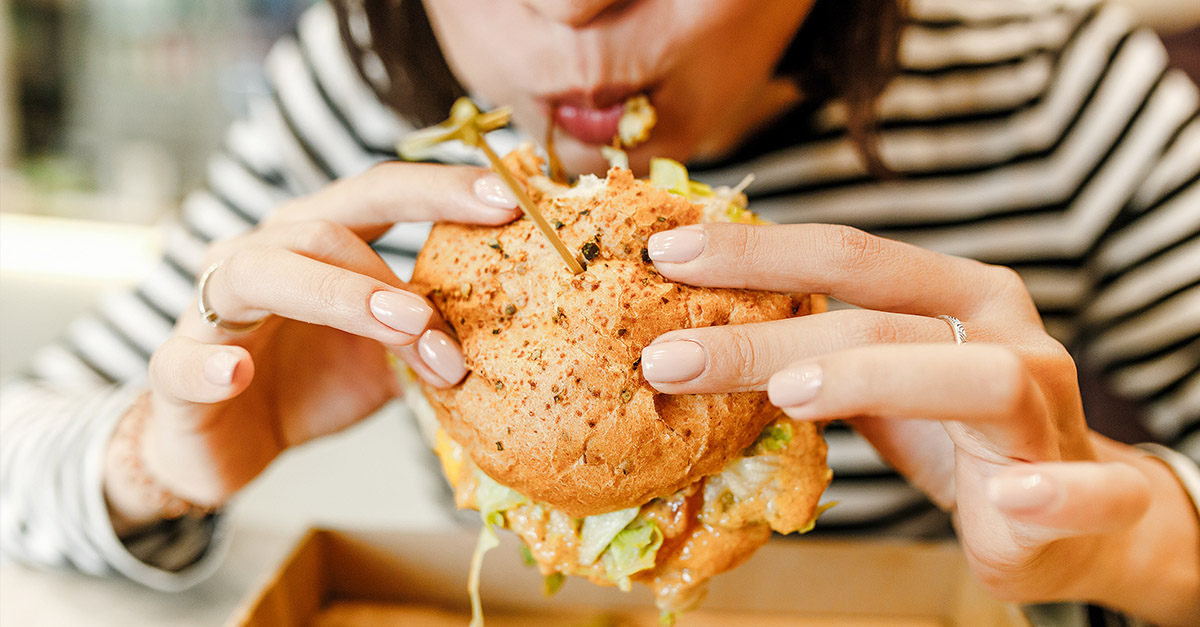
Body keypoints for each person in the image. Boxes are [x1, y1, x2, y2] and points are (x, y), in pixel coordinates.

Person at [2, 0, 1197, 624]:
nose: (570, 13)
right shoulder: (363, 98)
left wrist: (1131, 543)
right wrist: (157, 455)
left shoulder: (1058, 92)